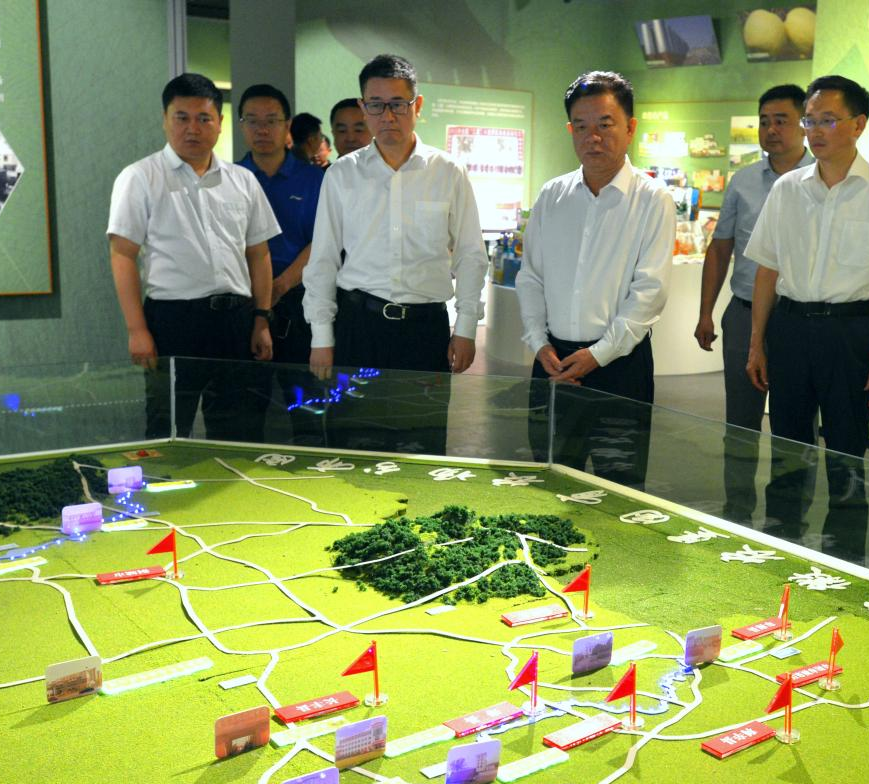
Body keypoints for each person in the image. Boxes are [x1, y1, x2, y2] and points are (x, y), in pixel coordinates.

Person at [743, 75, 869, 562]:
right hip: (790, 327)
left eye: (828, 120)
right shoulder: (787, 189)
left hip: (851, 332)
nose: (815, 131)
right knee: (787, 447)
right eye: (810, 121)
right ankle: (779, 547)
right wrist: (757, 342)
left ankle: (845, 559)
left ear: (858, 124)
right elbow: (767, 270)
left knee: (846, 453)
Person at [303, 54, 487, 455]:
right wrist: (321, 336)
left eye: (398, 104)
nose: (387, 116)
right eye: (376, 105)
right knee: (352, 443)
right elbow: (323, 260)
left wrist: (466, 327)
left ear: (417, 105)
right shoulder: (342, 174)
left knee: (422, 443)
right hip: (359, 328)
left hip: (425, 332)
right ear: (363, 107)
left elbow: (471, 254)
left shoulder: (448, 171)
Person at [515, 70, 675, 489]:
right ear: (571, 130)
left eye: (605, 124)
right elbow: (531, 277)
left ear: (630, 128)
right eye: (581, 126)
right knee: (550, 480)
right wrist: (539, 343)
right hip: (553, 361)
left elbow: (650, 291)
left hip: (619, 368)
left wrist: (598, 354)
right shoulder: (552, 195)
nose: (594, 137)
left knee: (619, 488)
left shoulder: (652, 199)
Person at [107, 72, 279, 442]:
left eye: (204, 118)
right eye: (181, 117)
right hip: (173, 321)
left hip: (236, 320)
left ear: (219, 123)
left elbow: (259, 253)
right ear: (165, 120)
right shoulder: (140, 177)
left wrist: (261, 317)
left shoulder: (242, 180)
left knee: (240, 427)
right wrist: (137, 330)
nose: (193, 128)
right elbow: (122, 255)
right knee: (168, 426)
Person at [696, 84, 814, 523]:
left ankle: (789, 519)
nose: (771, 129)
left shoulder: (823, 178)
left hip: (798, 319)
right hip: (744, 312)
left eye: (781, 120)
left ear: (803, 124)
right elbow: (720, 248)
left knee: (796, 427)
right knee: (740, 422)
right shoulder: (743, 181)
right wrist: (706, 312)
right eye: (764, 121)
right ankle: (737, 511)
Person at [236, 83, 327, 443]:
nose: (262, 129)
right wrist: (261, 295)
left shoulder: (316, 179)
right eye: (252, 121)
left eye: (271, 120)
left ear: (287, 125)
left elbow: (322, 241)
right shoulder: (229, 178)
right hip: (245, 306)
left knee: (306, 407)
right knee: (244, 409)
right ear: (241, 126)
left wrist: (280, 285)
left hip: (298, 303)